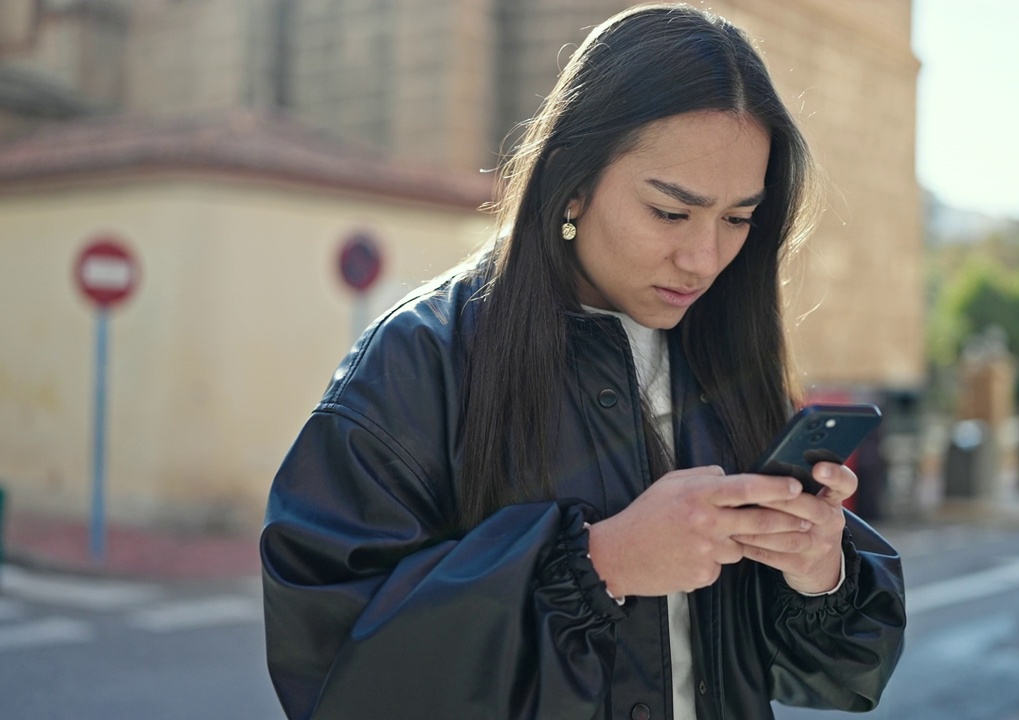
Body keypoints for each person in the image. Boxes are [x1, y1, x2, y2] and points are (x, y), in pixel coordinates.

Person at [260, 4, 905, 719]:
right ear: (573, 181)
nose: (704, 259)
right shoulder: (421, 357)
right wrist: (600, 564)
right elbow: (334, 677)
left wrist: (819, 571)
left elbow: (842, 671)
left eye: (737, 218)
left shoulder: (724, 358)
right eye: (669, 212)